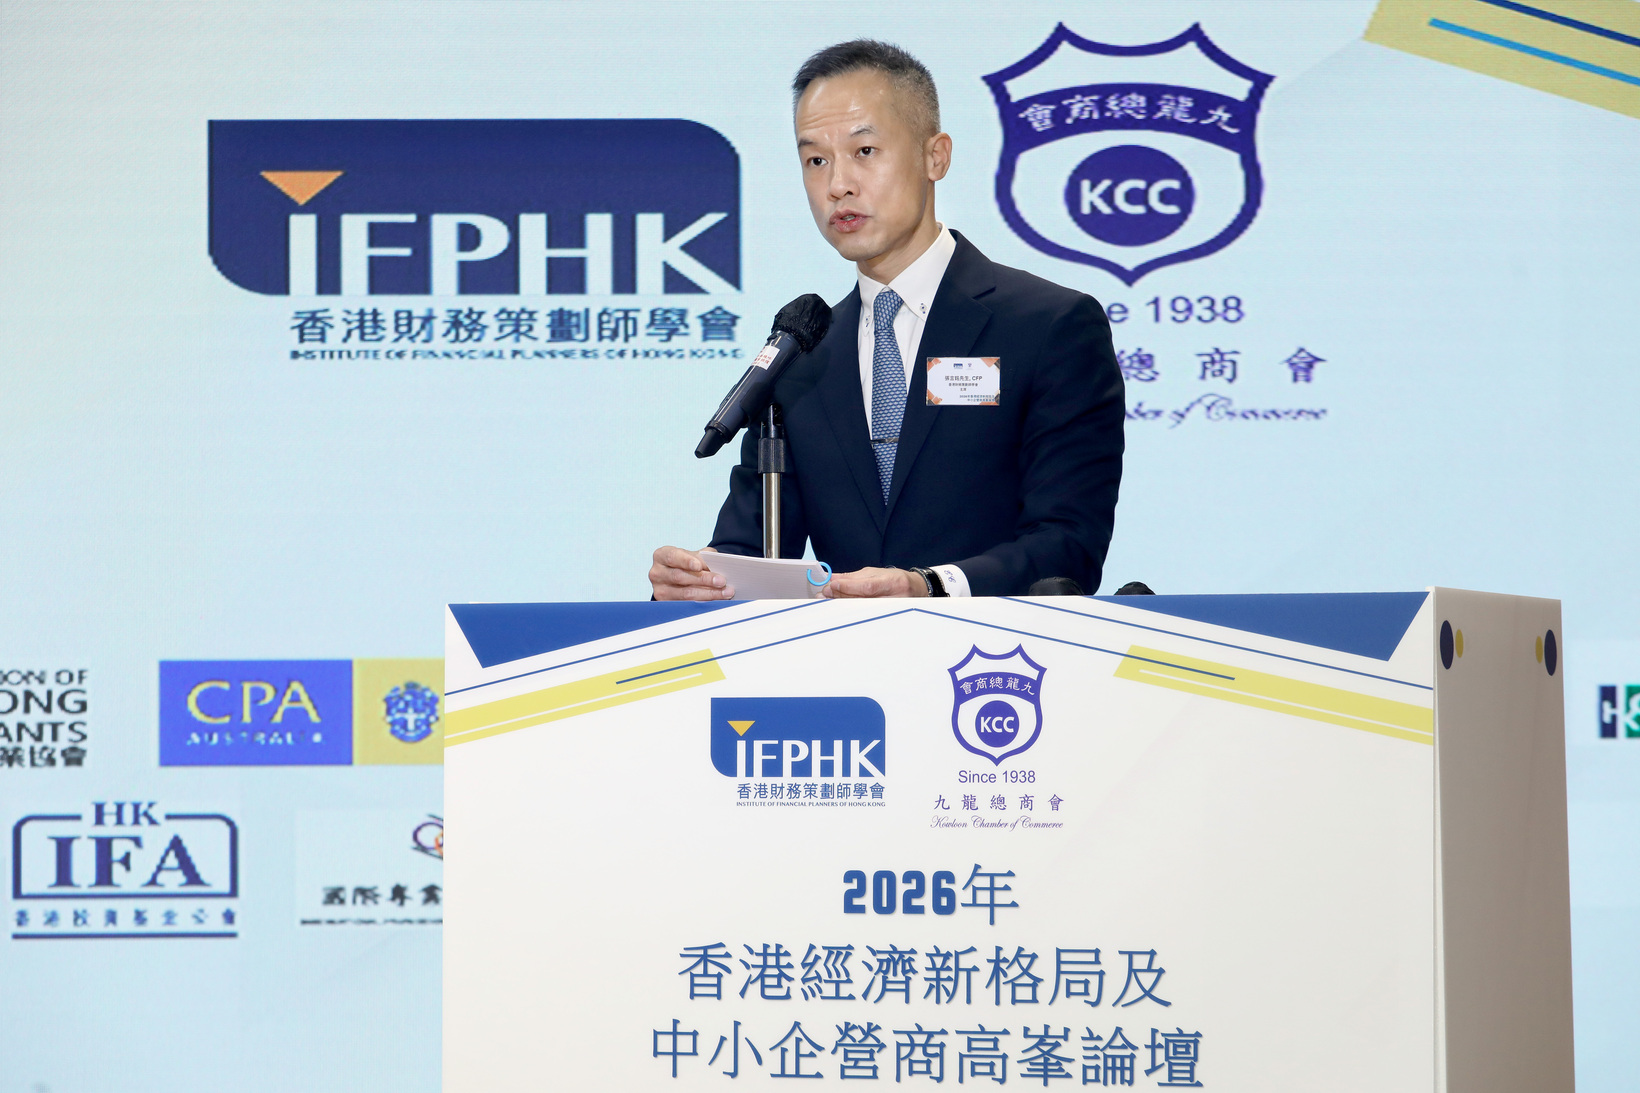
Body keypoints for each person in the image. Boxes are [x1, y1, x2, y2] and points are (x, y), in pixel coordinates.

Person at [649, 39, 1123, 601]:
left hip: (1000, 651)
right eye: (816, 160)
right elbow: (753, 551)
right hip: (843, 656)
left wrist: (928, 585)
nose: (837, 185)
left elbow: (1069, 543)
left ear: (935, 157)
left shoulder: (1048, 325)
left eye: (864, 151)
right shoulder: (802, 355)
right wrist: (695, 582)